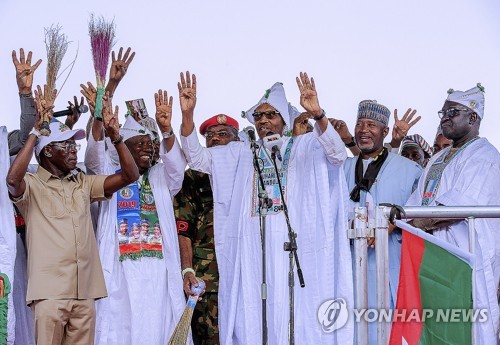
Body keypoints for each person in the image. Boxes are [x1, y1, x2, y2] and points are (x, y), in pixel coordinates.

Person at [179, 71, 354, 344]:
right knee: (254, 314)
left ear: (284, 120)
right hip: (254, 253)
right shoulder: (242, 152)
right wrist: (188, 117)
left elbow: (336, 153)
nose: (263, 121)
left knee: (292, 315)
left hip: (294, 251)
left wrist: (318, 114)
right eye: (258, 116)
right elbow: (198, 158)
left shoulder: (305, 145)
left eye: (270, 115)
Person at [6, 87, 139, 345]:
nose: (73, 150)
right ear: (47, 151)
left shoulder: (84, 183)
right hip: (49, 293)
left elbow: (129, 176)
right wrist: (35, 132)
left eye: (74, 144)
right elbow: (12, 180)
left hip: (86, 290)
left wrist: (117, 138)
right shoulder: (32, 185)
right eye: (65, 145)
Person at [85, 88, 190, 345]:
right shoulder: (109, 173)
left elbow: (178, 166)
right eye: (139, 143)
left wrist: (166, 131)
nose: (148, 148)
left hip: (158, 271)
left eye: (150, 144)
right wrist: (98, 118)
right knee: (120, 329)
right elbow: (93, 156)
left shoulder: (161, 176)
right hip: (119, 269)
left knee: (158, 328)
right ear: (124, 146)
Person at [406, 84, 499, 344]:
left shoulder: (485, 156)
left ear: (473, 117)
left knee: (466, 329)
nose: (445, 117)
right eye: (443, 112)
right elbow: (413, 206)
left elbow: (456, 207)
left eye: (452, 111)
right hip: (432, 257)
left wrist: (415, 221)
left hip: (463, 259)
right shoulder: (439, 158)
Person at [343, 100, 422, 343]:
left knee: (387, 329)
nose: (363, 130)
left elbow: (420, 214)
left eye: (371, 125)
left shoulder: (410, 169)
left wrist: (394, 221)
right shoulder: (340, 168)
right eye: (359, 124)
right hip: (348, 265)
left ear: (385, 132)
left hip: (392, 264)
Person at [174, 113, 240, 345]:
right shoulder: (194, 176)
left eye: (223, 135)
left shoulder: (249, 172)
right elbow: (183, 229)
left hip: (245, 277)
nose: (215, 140)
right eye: (209, 136)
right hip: (208, 279)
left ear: (237, 140)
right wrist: (187, 271)